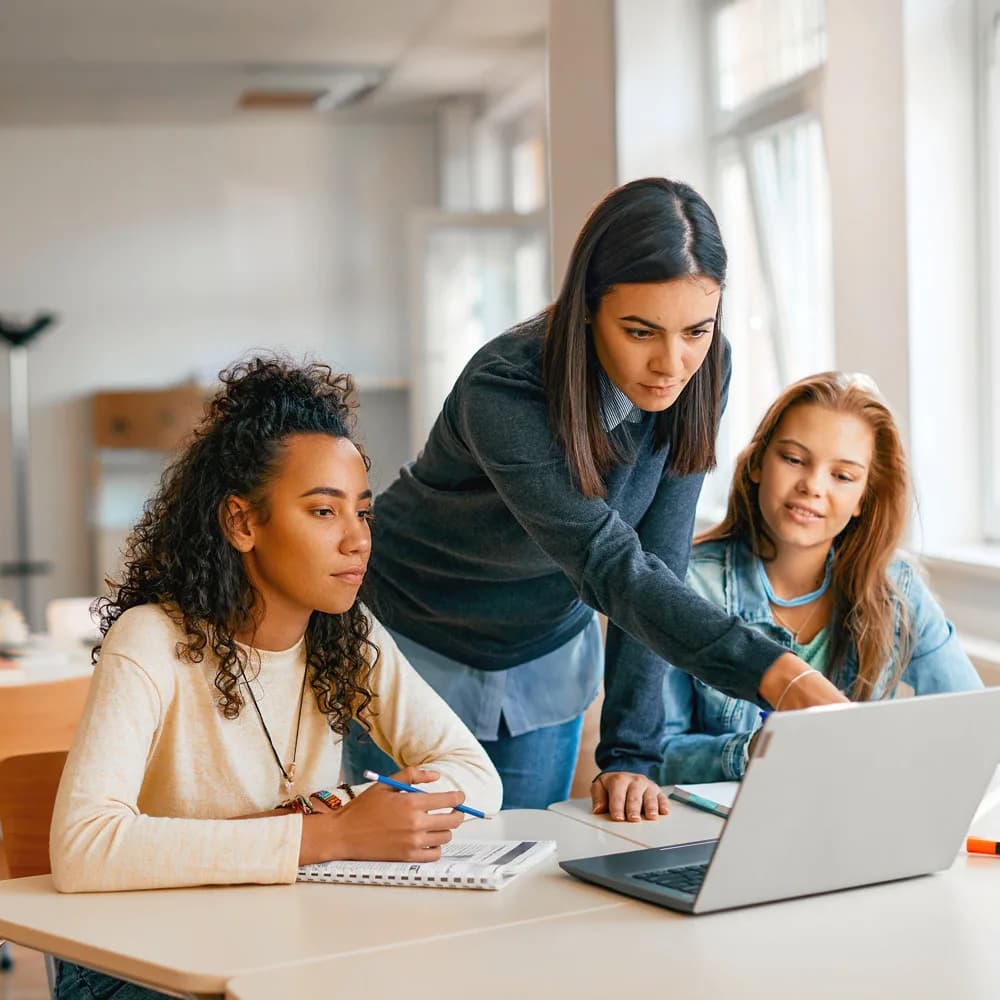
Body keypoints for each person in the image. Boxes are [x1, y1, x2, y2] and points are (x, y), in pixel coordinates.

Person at [343, 177, 846, 821]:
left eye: (696, 329)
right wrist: (780, 674)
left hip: (543, 649)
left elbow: (655, 563)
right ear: (587, 308)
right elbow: (608, 563)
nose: (672, 363)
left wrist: (630, 755)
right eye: (641, 332)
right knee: (409, 882)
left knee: (520, 880)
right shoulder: (504, 389)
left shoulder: (703, 367)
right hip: (415, 635)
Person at [49, 358, 501, 1000]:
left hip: (281, 945)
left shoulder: (348, 632)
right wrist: (334, 832)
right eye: (323, 512)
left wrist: (342, 812)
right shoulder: (151, 639)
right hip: (141, 965)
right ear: (242, 523)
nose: (357, 541)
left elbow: (475, 772)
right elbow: (84, 847)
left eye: (363, 514)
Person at [659, 371, 983, 785]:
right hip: (719, 830)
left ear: (863, 498)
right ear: (758, 462)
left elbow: (969, 718)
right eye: (793, 459)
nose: (812, 486)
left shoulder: (895, 587)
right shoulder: (686, 584)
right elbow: (653, 756)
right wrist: (755, 751)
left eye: (843, 476)